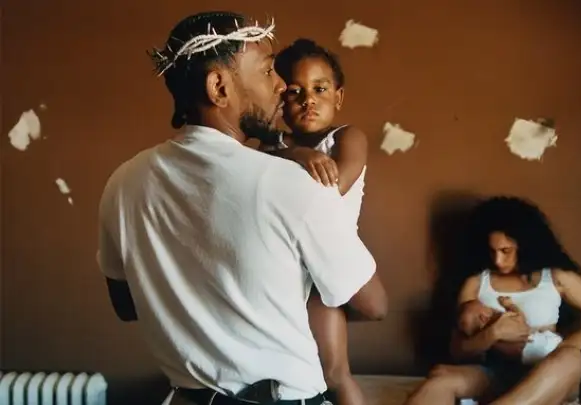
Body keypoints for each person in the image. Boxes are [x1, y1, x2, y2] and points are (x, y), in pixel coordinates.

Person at [97, 11, 387, 405]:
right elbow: (374, 304)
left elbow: (127, 305)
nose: (281, 86)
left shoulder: (123, 183)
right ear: (219, 87)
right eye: (267, 71)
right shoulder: (291, 184)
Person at [404, 196, 581, 405]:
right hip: (494, 373)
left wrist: (566, 346)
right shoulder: (477, 283)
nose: (498, 261)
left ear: (525, 246)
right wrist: (493, 333)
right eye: (492, 251)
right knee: (439, 382)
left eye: (506, 251)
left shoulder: (556, 277)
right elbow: (457, 349)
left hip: (547, 371)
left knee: (571, 358)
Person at [253, 38, 373, 405]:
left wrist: (297, 155)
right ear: (280, 99)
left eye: (320, 89)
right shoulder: (273, 148)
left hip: (329, 260)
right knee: (301, 367)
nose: (308, 100)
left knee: (335, 373)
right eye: (295, 92)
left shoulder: (347, 137)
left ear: (338, 96)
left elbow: (331, 190)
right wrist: (297, 153)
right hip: (289, 268)